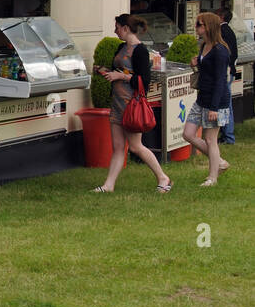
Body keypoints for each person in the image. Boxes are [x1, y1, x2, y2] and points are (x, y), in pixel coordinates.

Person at [92, 13, 172, 194]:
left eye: (117, 28)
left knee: (136, 146)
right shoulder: (121, 47)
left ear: (126, 28)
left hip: (131, 105)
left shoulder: (140, 51)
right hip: (118, 103)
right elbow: (119, 70)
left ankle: (163, 177)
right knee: (118, 147)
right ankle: (108, 185)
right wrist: (105, 72)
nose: (115, 31)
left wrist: (119, 76)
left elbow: (144, 80)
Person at [184, 11, 232, 187]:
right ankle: (219, 161)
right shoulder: (204, 45)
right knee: (188, 134)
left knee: (211, 139)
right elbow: (207, 73)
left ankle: (212, 177)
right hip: (202, 98)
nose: (196, 27)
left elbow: (221, 80)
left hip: (216, 101)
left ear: (208, 27)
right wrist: (196, 64)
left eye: (199, 24)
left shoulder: (220, 51)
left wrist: (214, 108)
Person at [219, 8, 238, 144]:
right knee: (225, 104)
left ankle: (228, 136)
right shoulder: (229, 31)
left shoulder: (222, 32)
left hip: (225, 72)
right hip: (229, 71)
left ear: (221, 17)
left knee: (225, 105)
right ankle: (226, 134)